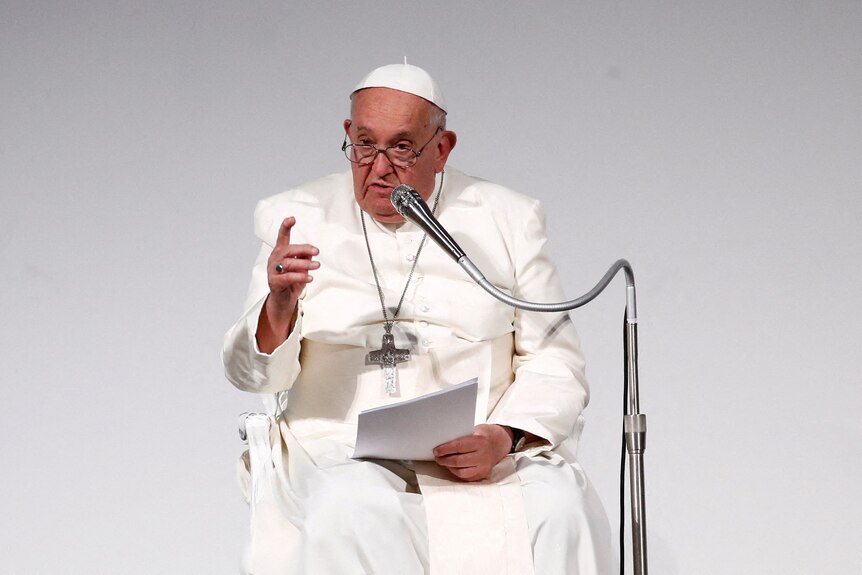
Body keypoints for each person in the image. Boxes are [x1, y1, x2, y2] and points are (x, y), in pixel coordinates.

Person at [223, 63, 613, 575]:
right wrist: (279, 305)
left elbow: (556, 360)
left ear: (442, 148)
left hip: (484, 454)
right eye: (365, 144)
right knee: (354, 508)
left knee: (559, 509)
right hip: (340, 451)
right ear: (347, 136)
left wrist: (505, 435)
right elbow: (254, 375)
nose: (379, 168)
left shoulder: (507, 219)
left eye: (402, 148)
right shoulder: (296, 214)